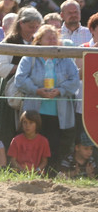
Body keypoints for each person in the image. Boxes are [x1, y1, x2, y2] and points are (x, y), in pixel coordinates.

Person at [13, 24, 80, 159]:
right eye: (48, 38)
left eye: (54, 38)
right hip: (34, 112)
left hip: (59, 113)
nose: (52, 41)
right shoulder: (29, 57)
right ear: (39, 40)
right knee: (32, 144)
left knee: (54, 146)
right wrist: (36, 90)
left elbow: (75, 80)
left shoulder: (66, 58)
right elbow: (19, 79)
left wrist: (60, 90)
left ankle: (52, 169)